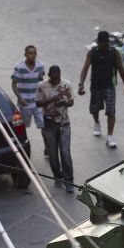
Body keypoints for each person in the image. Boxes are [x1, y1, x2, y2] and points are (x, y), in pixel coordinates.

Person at [78, 30, 124, 148]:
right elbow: (85, 68)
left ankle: (110, 136)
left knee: (111, 111)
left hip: (109, 86)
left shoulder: (113, 53)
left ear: (107, 42)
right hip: (96, 85)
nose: (102, 46)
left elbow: (121, 69)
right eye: (100, 43)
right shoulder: (92, 52)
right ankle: (97, 123)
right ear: (98, 42)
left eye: (104, 43)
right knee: (94, 108)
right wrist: (81, 84)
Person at [36, 65, 74, 193]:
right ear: (49, 75)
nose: (57, 79)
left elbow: (71, 102)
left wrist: (64, 103)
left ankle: (69, 181)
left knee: (65, 153)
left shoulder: (66, 84)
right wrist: (51, 99)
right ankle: (58, 176)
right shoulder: (42, 86)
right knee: (52, 154)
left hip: (64, 124)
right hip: (49, 125)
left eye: (58, 76)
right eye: (54, 77)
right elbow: (37, 103)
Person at [11, 45, 47, 153]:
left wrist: (43, 97)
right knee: (23, 126)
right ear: (25, 55)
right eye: (30, 53)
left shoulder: (40, 66)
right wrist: (20, 98)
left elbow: (41, 81)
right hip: (25, 104)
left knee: (43, 125)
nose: (33, 55)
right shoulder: (19, 67)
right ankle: (22, 147)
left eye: (34, 53)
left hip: (37, 103)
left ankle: (48, 147)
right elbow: (14, 85)